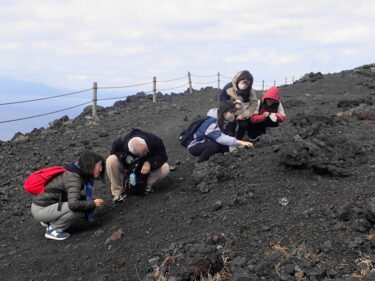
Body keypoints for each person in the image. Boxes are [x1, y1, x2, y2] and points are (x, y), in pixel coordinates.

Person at [31, 151, 106, 241]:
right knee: (78, 210)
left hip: (42, 206)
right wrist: (92, 203)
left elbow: (71, 195)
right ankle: (54, 229)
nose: (101, 169)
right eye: (99, 165)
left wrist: (90, 201)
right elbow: (73, 204)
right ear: (91, 164)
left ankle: (49, 220)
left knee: (83, 205)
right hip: (41, 210)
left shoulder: (73, 171)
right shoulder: (74, 178)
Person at [106, 129, 170, 203]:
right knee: (111, 160)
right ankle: (117, 192)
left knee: (165, 167)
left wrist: (149, 162)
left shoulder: (155, 140)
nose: (145, 154)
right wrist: (126, 159)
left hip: (146, 169)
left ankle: (146, 186)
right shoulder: (120, 142)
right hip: (128, 166)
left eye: (146, 151)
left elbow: (163, 156)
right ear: (131, 150)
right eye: (141, 154)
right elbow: (113, 153)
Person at [187, 100, 254, 162]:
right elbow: (221, 138)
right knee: (213, 146)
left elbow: (224, 137)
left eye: (234, 112)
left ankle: (219, 161)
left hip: (207, 141)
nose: (233, 114)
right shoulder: (211, 123)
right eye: (231, 112)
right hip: (195, 145)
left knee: (226, 147)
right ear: (224, 112)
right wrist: (241, 142)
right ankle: (200, 164)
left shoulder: (222, 121)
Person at [219, 70, 258, 139]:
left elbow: (254, 103)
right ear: (239, 79)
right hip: (229, 111)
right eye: (243, 82)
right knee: (231, 123)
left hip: (242, 112)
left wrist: (244, 115)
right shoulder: (228, 87)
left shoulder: (250, 91)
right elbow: (222, 101)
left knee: (244, 125)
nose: (244, 85)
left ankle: (238, 140)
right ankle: (229, 139)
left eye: (247, 84)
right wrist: (233, 106)